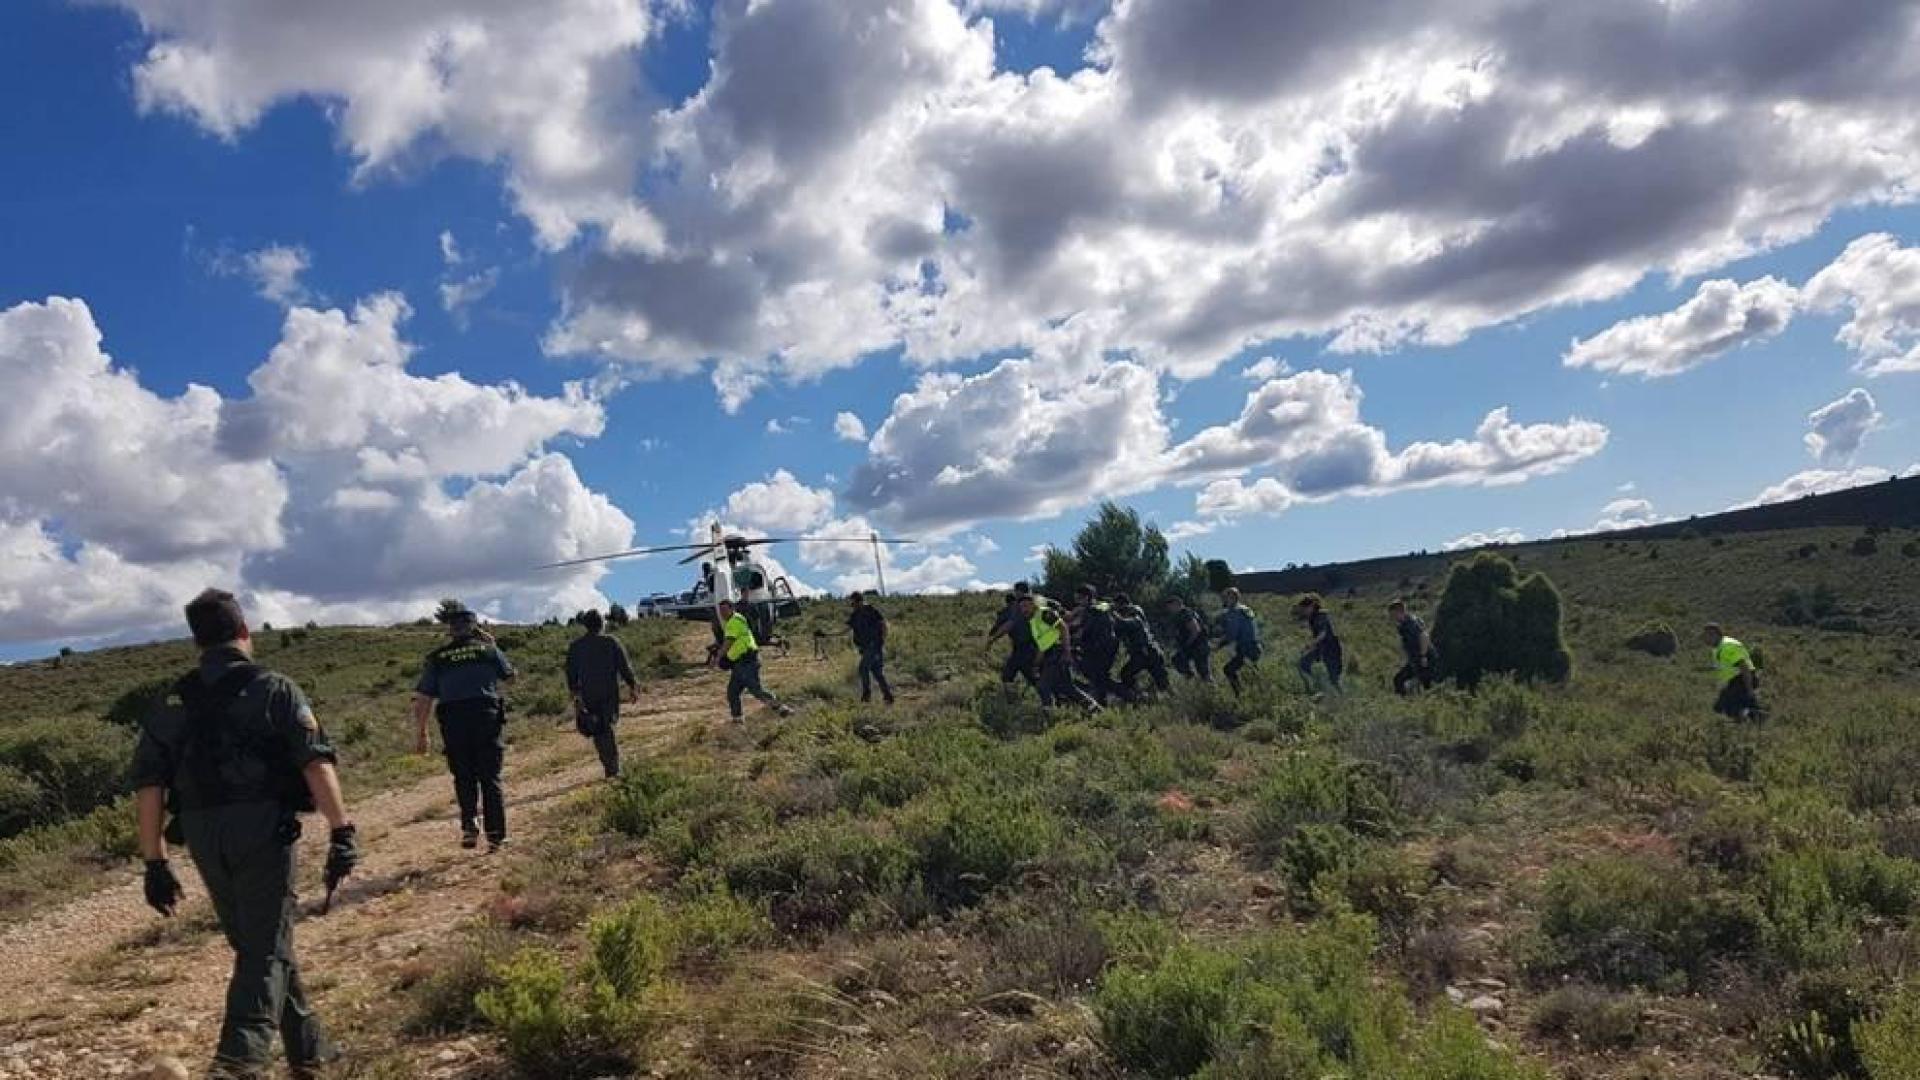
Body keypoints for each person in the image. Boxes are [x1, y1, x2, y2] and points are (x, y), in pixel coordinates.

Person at [130, 589, 358, 1079]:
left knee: (260, 940)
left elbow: (149, 785)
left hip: (202, 832)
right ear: (244, 633)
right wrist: (342, 831)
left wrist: (155, 861)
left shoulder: (173, 700)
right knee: (265, 946)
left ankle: (311, 1053)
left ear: (197, 642)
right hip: (261, 826)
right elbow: (316, 765)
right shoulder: (274, 687)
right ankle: (238, 1062)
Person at [413, 600, 515, 852]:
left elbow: (424, 698)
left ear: (451, 630)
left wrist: (422, 732)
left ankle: (470, 823)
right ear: (474, 627)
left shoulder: (437, 658)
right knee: (490, 777)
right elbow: (511, 678)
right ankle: (496, 836)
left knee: (463, 775)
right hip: (485, 716)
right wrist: (494, 645)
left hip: (453, 720)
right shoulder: (488, 651)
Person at [565, 609, 639, 779]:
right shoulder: (611, 642)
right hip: (608, 692)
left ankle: (610, 767)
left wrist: (575, 693)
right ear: (601, 624)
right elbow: (624, 666)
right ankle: (613, 770)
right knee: (605, 728)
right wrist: (633, 685)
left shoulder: (576, 647)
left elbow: (570, 673)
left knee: (599, 729)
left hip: (588, 693)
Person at [715, 598, 794, 721]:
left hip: (747, 661)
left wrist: (719, 656)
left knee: (756, 690)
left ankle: (782, 708)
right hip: (739, 664)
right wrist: (729, 658)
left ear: (732, 609)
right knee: (733, 692)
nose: (722, 613)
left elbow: (729, 642)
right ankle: (738, 720)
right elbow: (735, 644)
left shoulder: (734, 621)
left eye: (724, 610)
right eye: (720, 611)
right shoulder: (735, 621)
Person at [1022, 593, 1099, 712]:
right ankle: (1095, 709)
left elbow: (1063, 628)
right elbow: (1042, 645)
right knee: (1068, 688)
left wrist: (1066, 652)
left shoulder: (1044, 613)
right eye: (1021, 607)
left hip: (1058, 652)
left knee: (1043, 686)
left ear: (1033, 605)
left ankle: (1049, 715)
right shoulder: (1033, 622)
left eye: (1026, 606)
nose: (1024, 609)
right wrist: (1036, 664)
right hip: (1050, 655)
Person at [985, 582, 1042, 695]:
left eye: (1016, 591)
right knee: (1024, 674)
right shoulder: (1039, 601)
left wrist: (993, 638)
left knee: (1012, 674)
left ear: (1018, 592)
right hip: (1037, 645)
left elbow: (1009, 624)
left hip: (1025, 646)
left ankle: (1013, 699)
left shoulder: (1018, 606)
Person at [1113, 597, 1172, 699]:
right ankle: (1142, 695)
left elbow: (1125, 623)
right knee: (1126, 674)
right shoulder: (1132, 614)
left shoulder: (1135, 614)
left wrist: (1113, 613)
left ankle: (1144, 696)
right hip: (1145, 653)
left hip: (1147, 653)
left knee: (1162, 682)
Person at [1071, 585, 1121, 705]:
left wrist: (1071, 640)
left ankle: (1129, 695)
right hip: (1105, 647)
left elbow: (1083, 631)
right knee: (1099, 677)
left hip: (1101, 649)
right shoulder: (1097, 607)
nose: (1077, 602)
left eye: (1079, 598)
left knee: (1098, 677)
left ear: (1087, 598)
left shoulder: (1093, 611)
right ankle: (1104, 700)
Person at [1705, 623, 1763, 720]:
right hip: (1735, 681)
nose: (1706, 639)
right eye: (1705, 636)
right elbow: (1724, 667)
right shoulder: (1718, 647)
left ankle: (1756, 717)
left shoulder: (1727, 646)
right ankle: (1754, 716)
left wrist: (1749, 688)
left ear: (1716, 635)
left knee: (1729, 708)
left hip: (1742, 680)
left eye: (1708, 635)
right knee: (1721, 708)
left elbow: (1744, 667)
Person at [847, 591, 895, 705]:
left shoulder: (871, 610)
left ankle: (866, 696)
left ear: (860, 601)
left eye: (854, 603)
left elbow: (883, 624)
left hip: (874, 646)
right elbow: (846, 629)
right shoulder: (855, 615)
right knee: (877, 672)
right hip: (865, 648)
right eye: (852, 604)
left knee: (863, 668)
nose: (853, 606)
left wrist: (881, 641)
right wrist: (827, 634)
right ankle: (888, 697)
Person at [1215, 587, 1262, 695]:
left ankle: (1240, 695)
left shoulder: (1234, 612)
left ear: (1231, 598)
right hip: (1255, 646)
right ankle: (1261, 695)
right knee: (1253, 673)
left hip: (1246, 648)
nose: (1224, 600)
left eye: (1226, 598)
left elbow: (1232, 634)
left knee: (1228, 670)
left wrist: (1219, 645)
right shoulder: (1245, 609)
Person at [1294, 593, 1344, 693]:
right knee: (1303, 664)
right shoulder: (1312, 617)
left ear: (1312, 606)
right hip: (1320, 648)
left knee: (1334, 677)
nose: (1304, 611)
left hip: (1331, 648)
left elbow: (1323, 634)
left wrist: (1310, 644)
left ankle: (1342, 698)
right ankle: (1314, 688)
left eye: (1305, 608)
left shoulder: (1321, 615)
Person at [1389, 599, 1437, 695]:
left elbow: (1424, 636)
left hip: (1425, 659)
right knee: (1399, 680)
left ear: (1400, 611)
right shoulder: (1404, 624)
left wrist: (1423, 656)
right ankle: (1406, 704)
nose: (1393, 617)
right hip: (1416, 660)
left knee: (1427, 686)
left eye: (1394, 614)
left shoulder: (1411, 623)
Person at [1166, 596, 1212, 683]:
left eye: (1170, 606)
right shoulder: (1180, 615)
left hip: (1199, 646)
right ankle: (1191, 679)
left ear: (1176, 604)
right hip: (1193, 646)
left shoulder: (1186, 614)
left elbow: (1195, 630)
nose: (1169, 609)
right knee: (1177, 660)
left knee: (1204, 673)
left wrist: (1186, 645)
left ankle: (1213, 692)